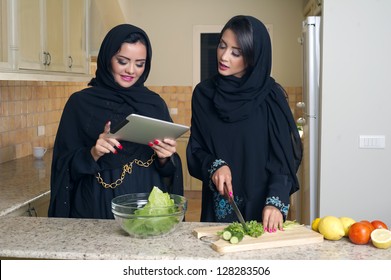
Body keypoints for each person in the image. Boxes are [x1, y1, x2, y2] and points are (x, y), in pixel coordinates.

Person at [48, 24, 183, 219]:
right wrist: (94, 152)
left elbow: (169, 170)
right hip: (96, 204)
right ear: (107, 58)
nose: (131, 70)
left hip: (148, 207)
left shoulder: (155, 104)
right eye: (122, 61)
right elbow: (63, 165)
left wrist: (165, 157)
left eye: (139, 63)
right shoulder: (80, 104)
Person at [186, 15, 302, 232]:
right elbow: (196, 149)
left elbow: (283, 159)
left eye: (236, 52)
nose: (224, 56)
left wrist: (275, 202)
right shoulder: (204, 94)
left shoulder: (271, 97)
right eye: (222, 45)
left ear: (253, 56)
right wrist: (215, 165)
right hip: (219, 205)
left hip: (265, 208)